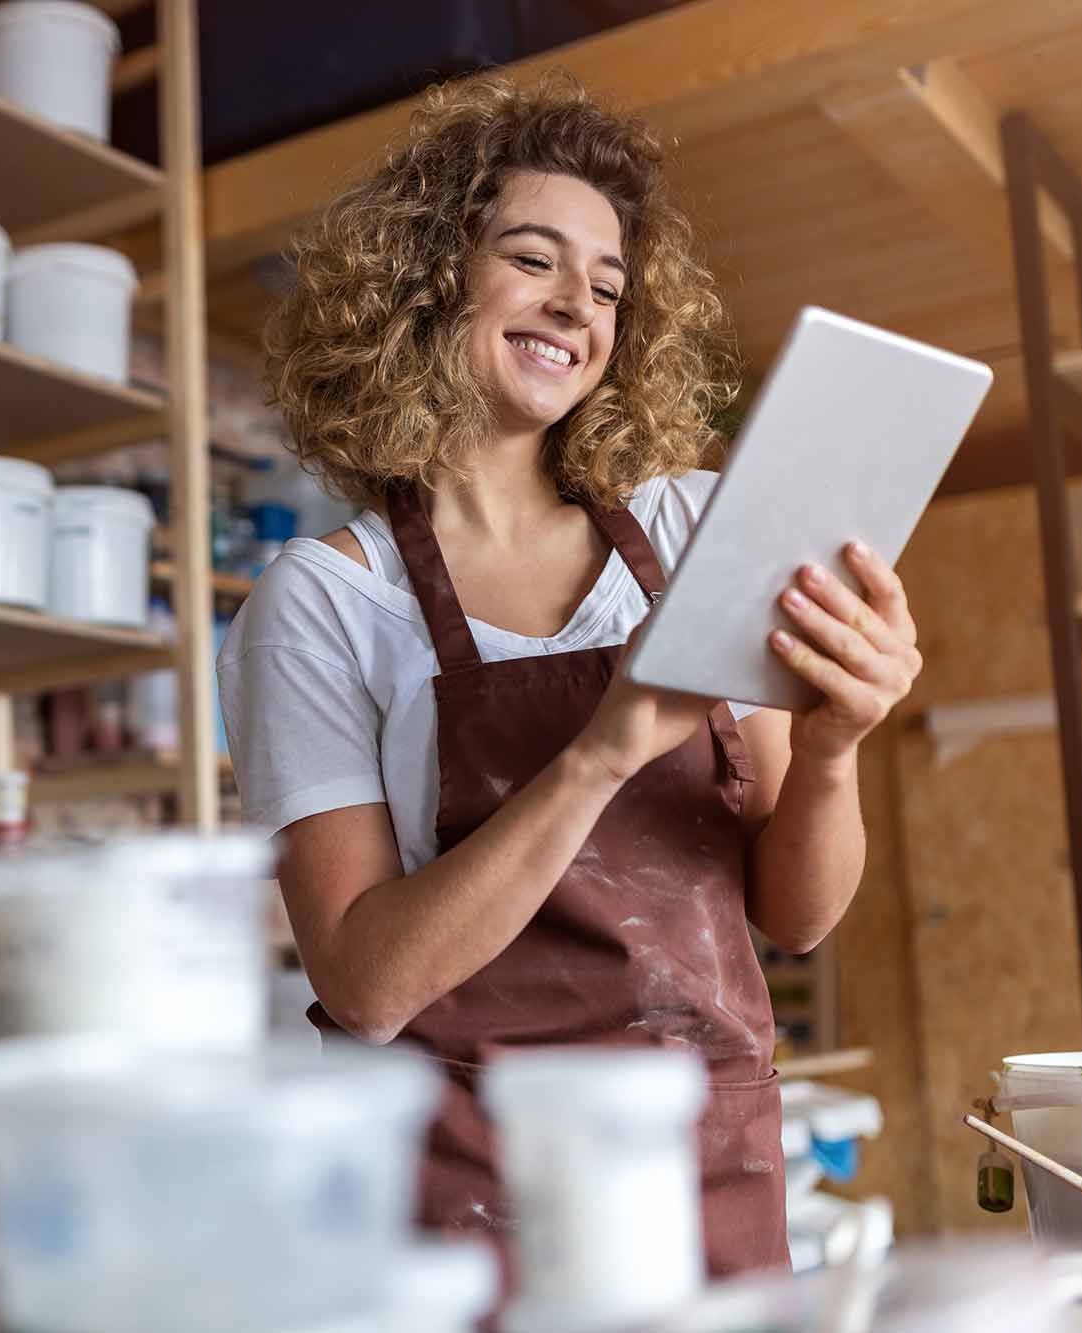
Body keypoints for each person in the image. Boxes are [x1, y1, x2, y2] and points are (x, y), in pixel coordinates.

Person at [219, 75, 921, 1273]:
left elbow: (793, 918)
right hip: (466, 1190)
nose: (574, 306)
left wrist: (838, 741)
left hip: (702, 1157)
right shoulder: (327, 600)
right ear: (429, 275)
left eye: (605, 286)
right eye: (533, 259)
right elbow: (369, 981)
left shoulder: (696, 531)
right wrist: (600, 751)